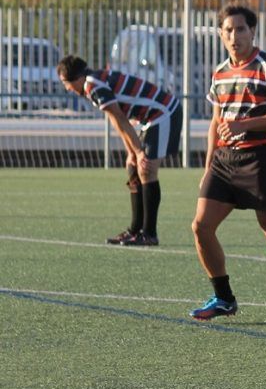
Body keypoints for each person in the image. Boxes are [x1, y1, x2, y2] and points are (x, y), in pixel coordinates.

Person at [189, 4, 266, 325]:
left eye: (240, 29)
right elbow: (216, 122)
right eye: (228, 30)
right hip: (224, 162)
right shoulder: (219, 72)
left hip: (261, 160)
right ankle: (224, 298)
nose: (234, 36)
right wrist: (208, 165)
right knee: (201, 226)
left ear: (252, 31)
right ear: (220, 34)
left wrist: (245, 124)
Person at [57, 55, 182, 246]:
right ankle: (135, 230)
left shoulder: (93, 85)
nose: (67, 88)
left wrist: (138, 152)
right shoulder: (92, 83)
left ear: (78, 77)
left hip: (164, 112)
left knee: (146, 169)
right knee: (133, 167)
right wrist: (131, 152)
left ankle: (149, 233)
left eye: (67, 83)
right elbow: (116, 119)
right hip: (149, 118)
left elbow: (120, 118)